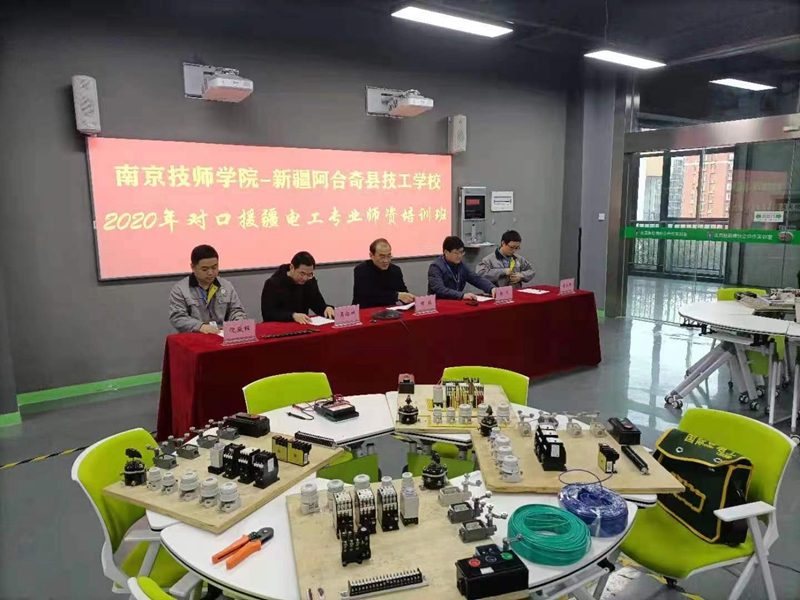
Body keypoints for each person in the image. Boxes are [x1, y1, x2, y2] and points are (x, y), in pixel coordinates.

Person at [169, 244, 247, 334]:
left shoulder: (226, 285)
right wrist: (200, 326)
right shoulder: (180, 289)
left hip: (223, 334)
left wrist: (238, 323)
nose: (210, 273)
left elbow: (236, 310)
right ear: (193, 267)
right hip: (196, 335)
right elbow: (178, 318)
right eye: (205, 269)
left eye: (214, 267)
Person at [261, 251, 336, 323]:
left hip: (303, 325)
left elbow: (317, 304)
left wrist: (327, 308)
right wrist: (293, 316)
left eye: (309, 274)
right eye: (302, 274)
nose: (305, 278)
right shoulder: (273, 284)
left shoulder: (309, 281)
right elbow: (269, 314)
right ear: (292, 267)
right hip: (280, 327)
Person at [352, 238, 416, 308]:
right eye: (382, 257)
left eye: (389, 256)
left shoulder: (395, 270)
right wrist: (396, 296)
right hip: (365, 310)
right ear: (371, 255)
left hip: (389, 311)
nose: (386, 261)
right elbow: (368, 295)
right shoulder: (361, 270)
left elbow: (402, 291)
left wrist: (409, 298)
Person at [428, 236, 496, 300]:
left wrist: (491, 288)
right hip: (439, 302)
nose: (459, 256)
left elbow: (475, 278)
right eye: (456, 253)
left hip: (455, 301)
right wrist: (462, 295)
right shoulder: (436, 267)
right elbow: (439, 289)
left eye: (461, 252)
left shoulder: (461, 265)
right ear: (446, 252)